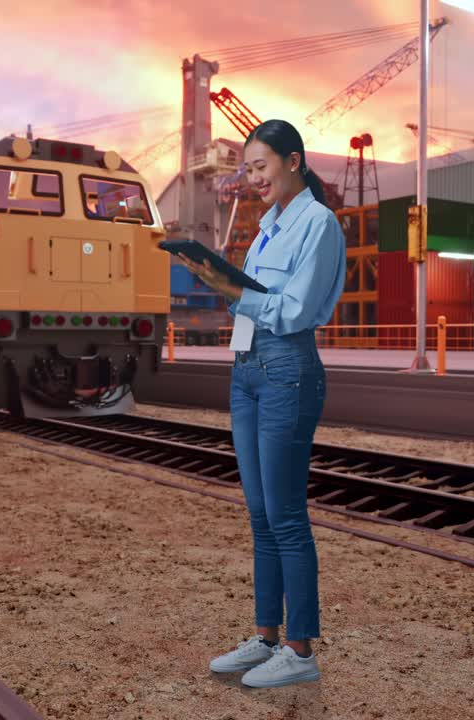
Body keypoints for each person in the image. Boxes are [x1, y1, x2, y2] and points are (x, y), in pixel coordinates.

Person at [177, 119, 345, 689]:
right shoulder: (269, 224)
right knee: (259, 516)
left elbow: (294, 311)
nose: (253, 180)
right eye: (247, 169)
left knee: (287, 516)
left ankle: (300, 650)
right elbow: (252, 302)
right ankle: (267, 636)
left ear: (293, 161)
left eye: (260, 167)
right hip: (247, 369)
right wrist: (221, 281)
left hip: (286, 371)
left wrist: (233, 291)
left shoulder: (317, 224)